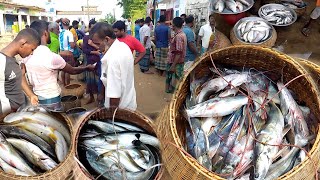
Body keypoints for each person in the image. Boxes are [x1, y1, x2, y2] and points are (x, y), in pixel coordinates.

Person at [22, 20, 95, 111]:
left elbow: (21, 76)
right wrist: (86, 67)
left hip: (36, 99)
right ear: (45, 33)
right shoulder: (52, 57)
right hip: (52, 99)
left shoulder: (26, 56)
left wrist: (31, 95)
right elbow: (73, 70)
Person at [90, 22, 137, 110]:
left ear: (107, 39)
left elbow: (114, 96)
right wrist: (102, 93)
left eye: (97, 44)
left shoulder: (112, 59)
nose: (96, 47)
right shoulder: (123, 46)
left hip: (120, 110)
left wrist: (111, 116)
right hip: (129, 102)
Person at [0, 28, 40, 117]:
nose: (32, 53)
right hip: (6, 118)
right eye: (32, 49)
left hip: (19, 113)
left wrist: (31, 95)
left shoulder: (12, 59)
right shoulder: (1, 62)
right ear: (23, 43)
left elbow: (17, 78)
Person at [166, 17, 187, 94]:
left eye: (172, 24)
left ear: (174, 25)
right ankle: (171, 91)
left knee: (176, 79)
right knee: (173, 78)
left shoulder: (179, 36)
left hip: (175, 62)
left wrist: (173, 65)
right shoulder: (180, 34)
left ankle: (173, 94)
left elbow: (178, 52)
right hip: (176, 61)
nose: (171, 26)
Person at [82, 22, 101, 105]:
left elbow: (102, 50)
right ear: (89, 28)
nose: (93, 30)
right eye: (92, 28)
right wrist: (94, 52)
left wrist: (94, 47)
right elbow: (85, 50)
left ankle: (99, 99)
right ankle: (92, 98)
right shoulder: (86, 38)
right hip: (90, 62)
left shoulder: (100, 38)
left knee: (99, 82)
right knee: (90, 82)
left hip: (99, 62)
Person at [59, 18, 75, 86]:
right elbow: (72, 45)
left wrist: (61, 19)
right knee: (68, 71)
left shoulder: (60, 33)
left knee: (63, 70)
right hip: (68, 54)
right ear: (69, 24)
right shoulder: (69, 33)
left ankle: (64, 84)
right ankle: (68, 85)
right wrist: (74, 42)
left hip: (61, 53)